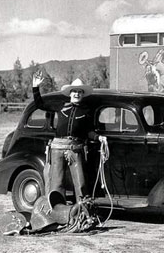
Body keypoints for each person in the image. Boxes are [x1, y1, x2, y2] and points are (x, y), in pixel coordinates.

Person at [32, 71, 107, 202]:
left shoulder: (86, 111)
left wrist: (98, 137)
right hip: (57, 148)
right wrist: (35, 87)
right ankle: (56, 209)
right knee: (57, 181)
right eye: (74, 91)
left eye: (79, 92)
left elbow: (88, 131)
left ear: (82, 94)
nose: (77, 94)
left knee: (80, 181)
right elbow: (40, 104)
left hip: (75, 148)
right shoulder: (61, 106)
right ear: (70, 93)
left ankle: (82, 210)